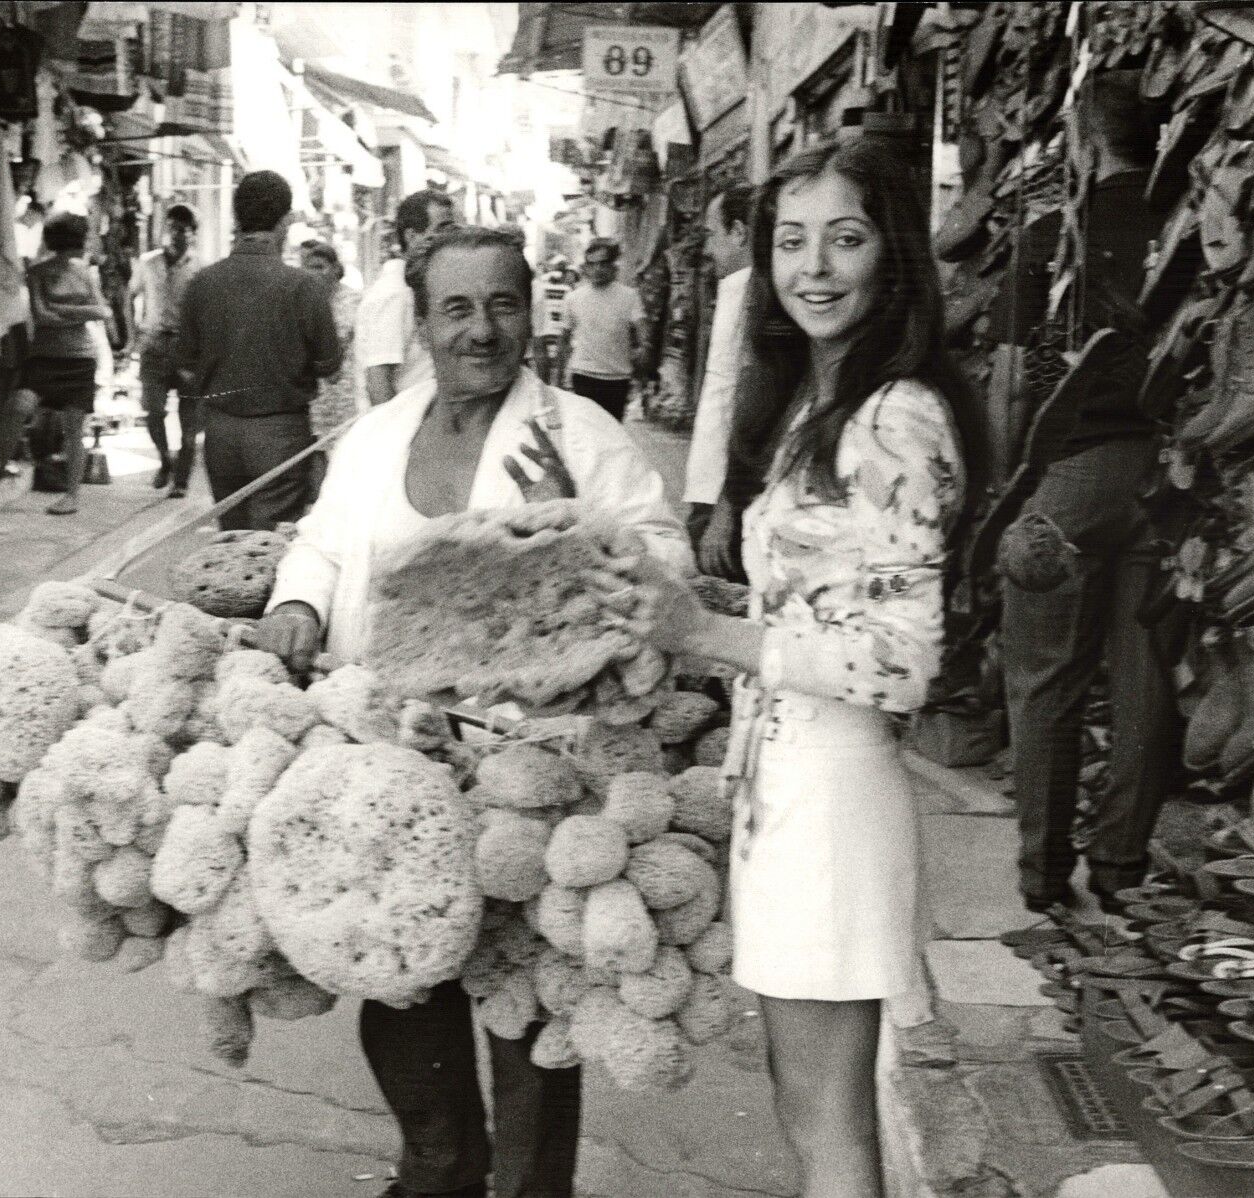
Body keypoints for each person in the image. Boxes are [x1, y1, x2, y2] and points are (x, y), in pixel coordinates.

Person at [254, 224, 692, 1198]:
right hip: (389, 757)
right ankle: (438, 1168)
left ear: (532, 309)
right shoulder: (375, 437)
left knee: (525, 1004)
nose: (481, 329)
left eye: (500, 302)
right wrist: (297, 604)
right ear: (423, 319)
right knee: (403, 976)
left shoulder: (581, 438)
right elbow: (321, 546)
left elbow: (662, 559)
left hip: (534, 772)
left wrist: (574, 587)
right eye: (457, 307)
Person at [606, 140, 983, 1198]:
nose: (813, 267)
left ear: (892, 255)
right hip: (786, 787)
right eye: (791, 240)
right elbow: (816, 604)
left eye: (846, 239)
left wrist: (705, 632)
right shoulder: (818, 406)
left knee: (827, 1122)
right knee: (804, 1103)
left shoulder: (896, 415)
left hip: (832, 797)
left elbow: (901, 659)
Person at [995, 74, 1182, 915]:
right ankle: (1120, 870)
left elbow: (1009, 383)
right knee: (1146, 680)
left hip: (1069, 474)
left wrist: (1006, 491)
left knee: (1045, 680)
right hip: (1169, 477)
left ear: (1083, 139)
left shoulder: (1049, 238)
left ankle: (1042, 875)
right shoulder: (1186, 224)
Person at [175, 171, 343, 530]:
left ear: (237, 219)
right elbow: (331, 367)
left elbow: (185, 365)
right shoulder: (303, 287)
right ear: (284, 222)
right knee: (269, 548)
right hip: (280, 432)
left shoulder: (202, 283)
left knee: (233, 543)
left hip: (220, 432)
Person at [22, 211, 113, 516]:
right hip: (46, 356)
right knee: (19, 406)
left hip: (80, 357)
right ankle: (0, 463)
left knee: (75, 428)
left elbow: (103, 312)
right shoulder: (37, 272)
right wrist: (78, 312)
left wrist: (60, 309)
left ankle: (72, 496)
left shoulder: (84, 272)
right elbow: (40, 316)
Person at [683, 184, 753, 560]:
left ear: (738, 233)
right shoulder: (738, 291)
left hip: (721, 490)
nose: (708, 250)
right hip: (717, 485)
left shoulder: (749, 294)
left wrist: (725, 510)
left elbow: (747, 401)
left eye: (712, 235)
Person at [356, 189, 456, 408]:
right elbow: (378, 381)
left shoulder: (417, 287)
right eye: (442, 229)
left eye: (452, 229)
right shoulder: (395, 293)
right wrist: (397, 436)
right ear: (412, 237)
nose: (450, 238)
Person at [129, 203, 202, 496]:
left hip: (187, 348)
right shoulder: (148, 263)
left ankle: (181, 480)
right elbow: (130, 294)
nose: (174, 234)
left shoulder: (200, 269)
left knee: (189, 423)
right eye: (170, 227)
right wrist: (132, 328)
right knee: (153, 411)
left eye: (181, 229)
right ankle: (164, 460)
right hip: (154, 344)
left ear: (192, 234)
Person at [560, 237, 649, 423]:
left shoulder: (629, 296)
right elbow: (564, 339)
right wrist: (559, 377)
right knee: (586, 430)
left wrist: (643, 355)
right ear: (585, 267)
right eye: (591, 264)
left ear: (613, 266)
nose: (597, 269)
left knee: (612, 431)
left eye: (602, 263)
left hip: (617, 378)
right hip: (584, 374)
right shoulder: (573, 298)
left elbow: (643, 333)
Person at [298, 238, 361, 496]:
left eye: (320, 266)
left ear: (335, 268)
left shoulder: (355, 301)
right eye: (308, 267)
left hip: (346, 393)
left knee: (346, 455)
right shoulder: (303, 304)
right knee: (316, 453)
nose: (314, 273)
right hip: (316, 394)